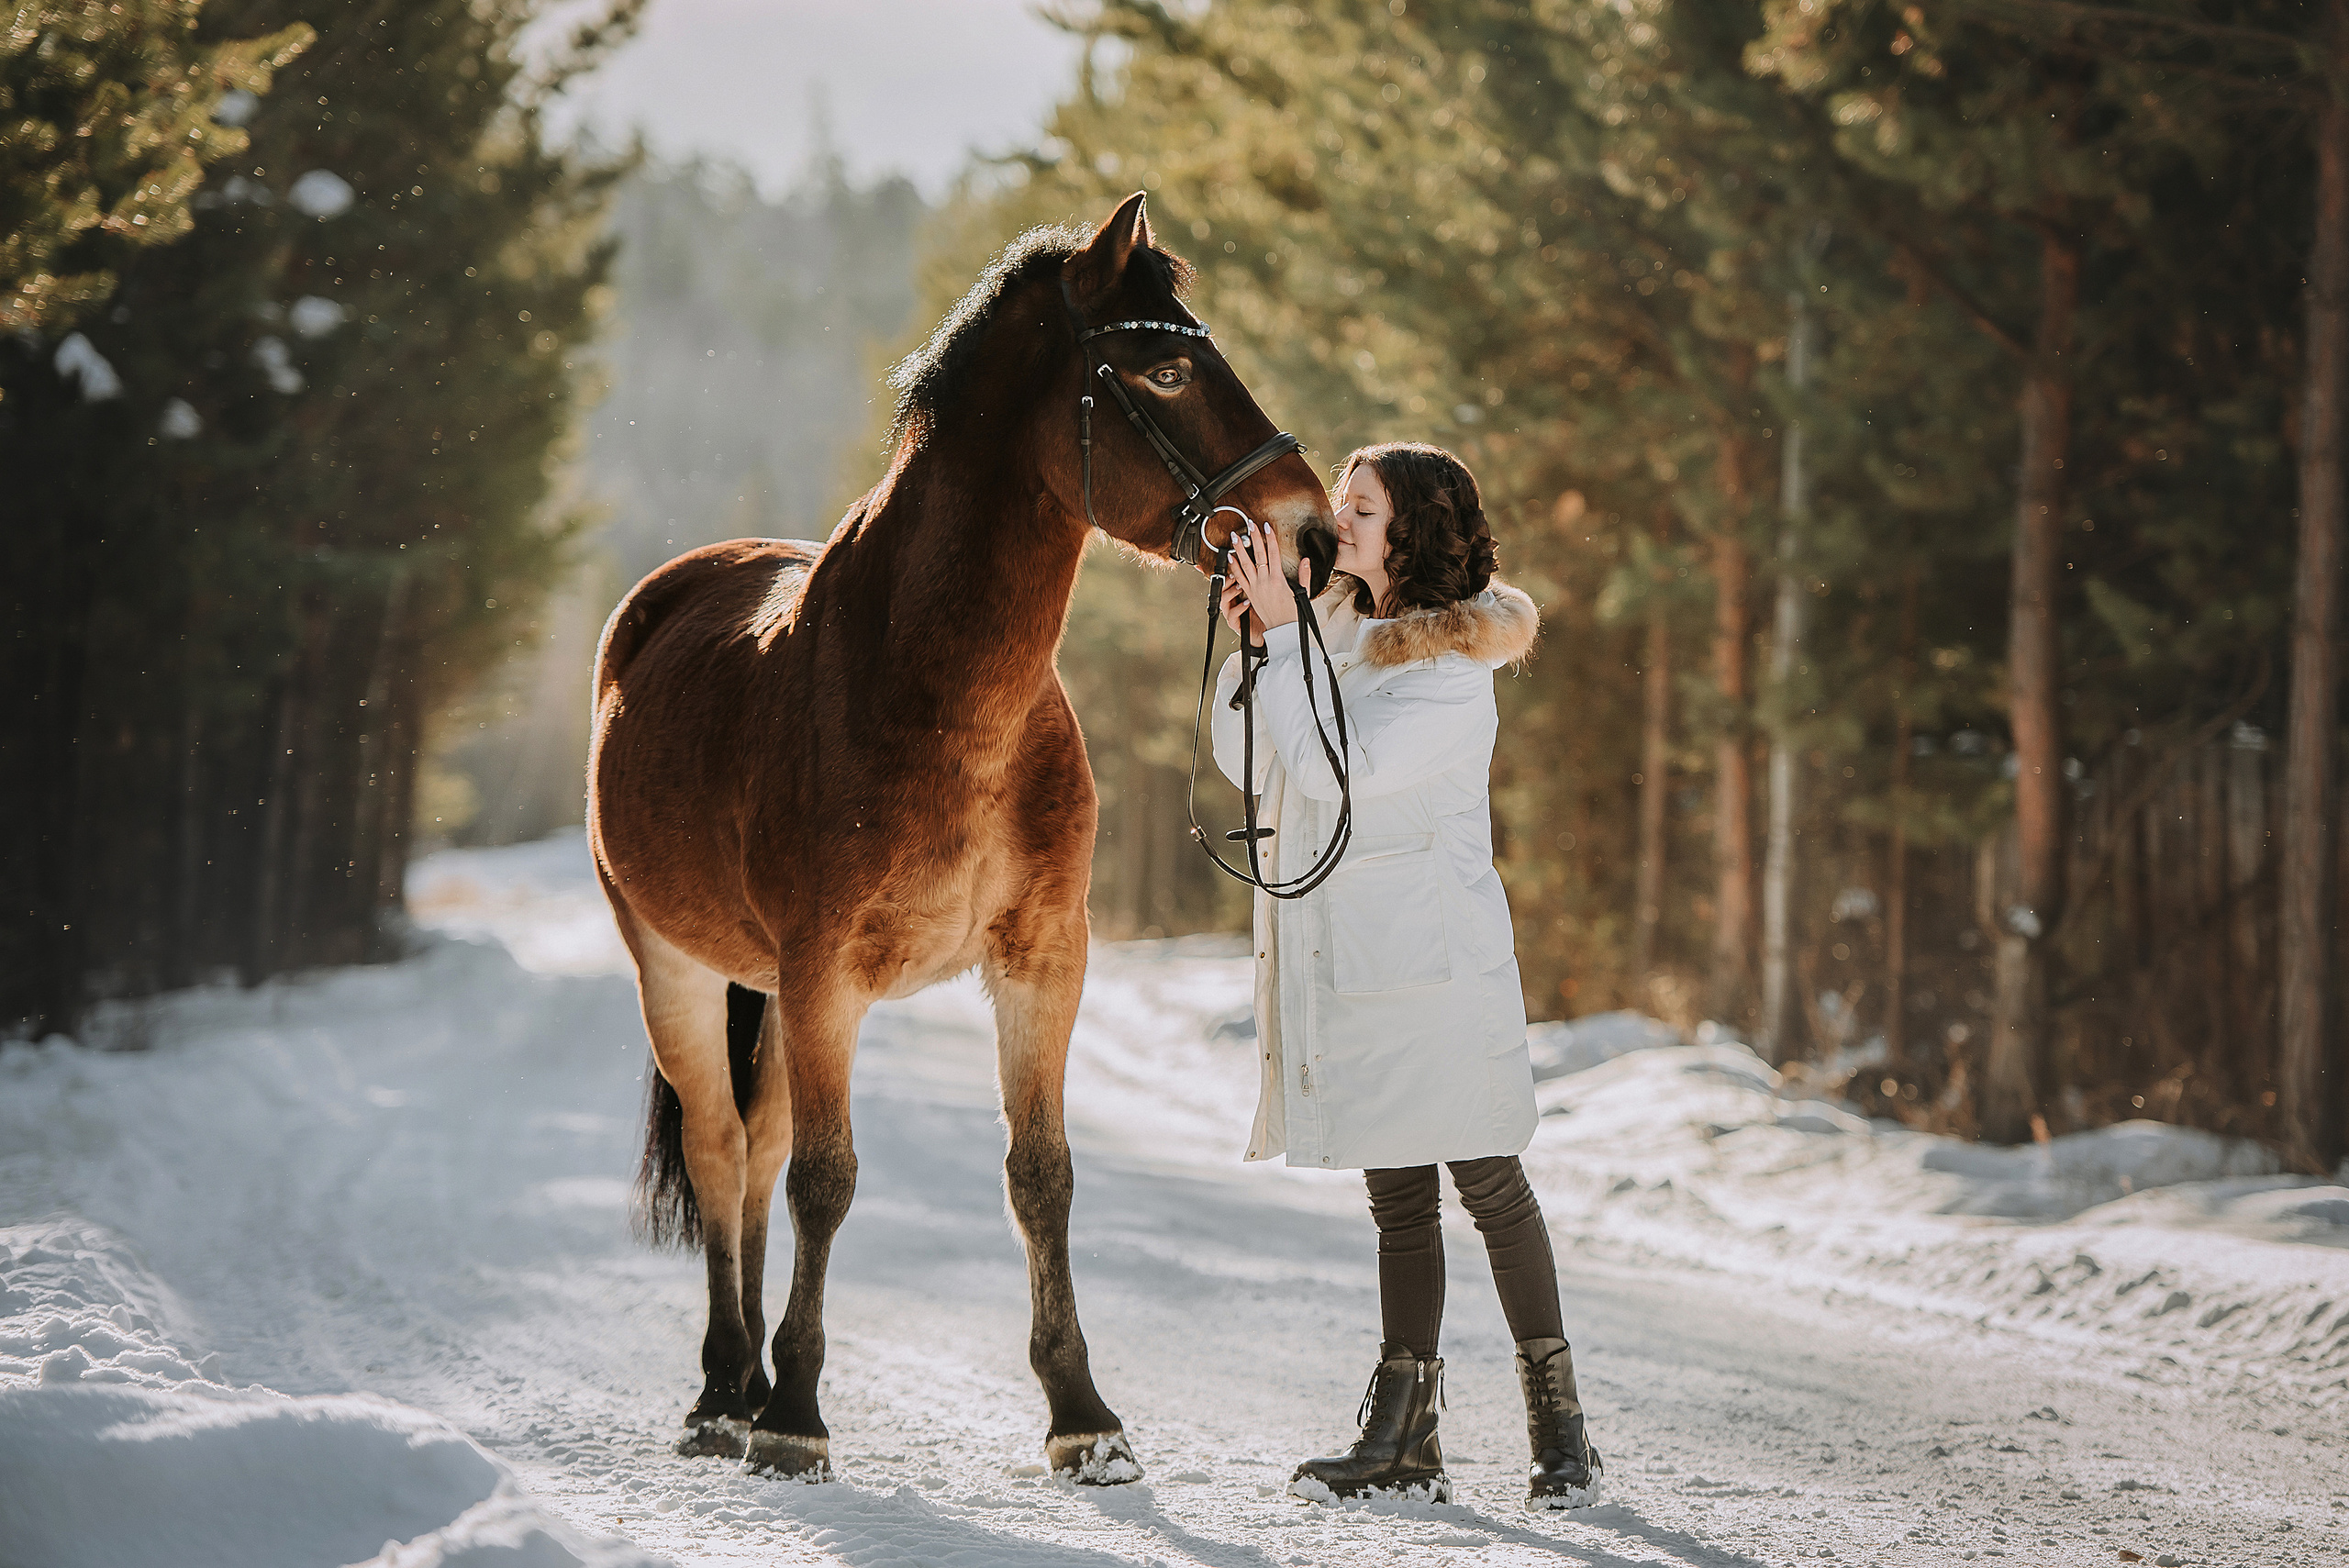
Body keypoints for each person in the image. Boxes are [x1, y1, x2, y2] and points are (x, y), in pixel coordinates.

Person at [1210, 441, 1602, 1510]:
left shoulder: (1449, 669)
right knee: (1396, 1194)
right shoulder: (1336, 625)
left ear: (1413, 530)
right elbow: (1251, 759)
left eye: (1362, 508)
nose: (1338, 521)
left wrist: (1289, 641)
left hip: (1438, 966)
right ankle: (1403, 1433)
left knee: (1488, 1180)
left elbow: (1334, 776)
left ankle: (1559, 1429)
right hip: (1358, 953)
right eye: (1342, 503)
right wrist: (1262, 641)